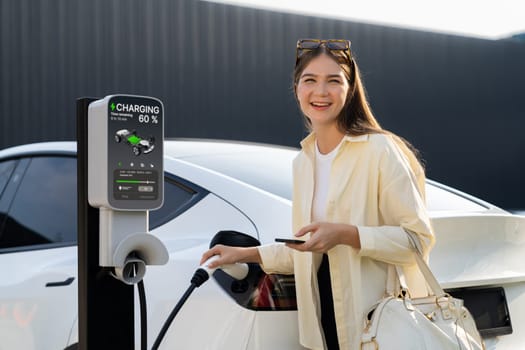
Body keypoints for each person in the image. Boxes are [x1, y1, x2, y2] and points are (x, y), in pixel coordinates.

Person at [200, 38, 435, 350]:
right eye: (310, 80)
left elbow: (416, 241)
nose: (320, 92)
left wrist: (347, 234)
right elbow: (309, 249)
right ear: (297, 89)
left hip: (377, 329)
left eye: (333, 81)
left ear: (350, 89)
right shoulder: (304, 162)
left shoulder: (380, 150)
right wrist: (245, 254)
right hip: (324, 329)